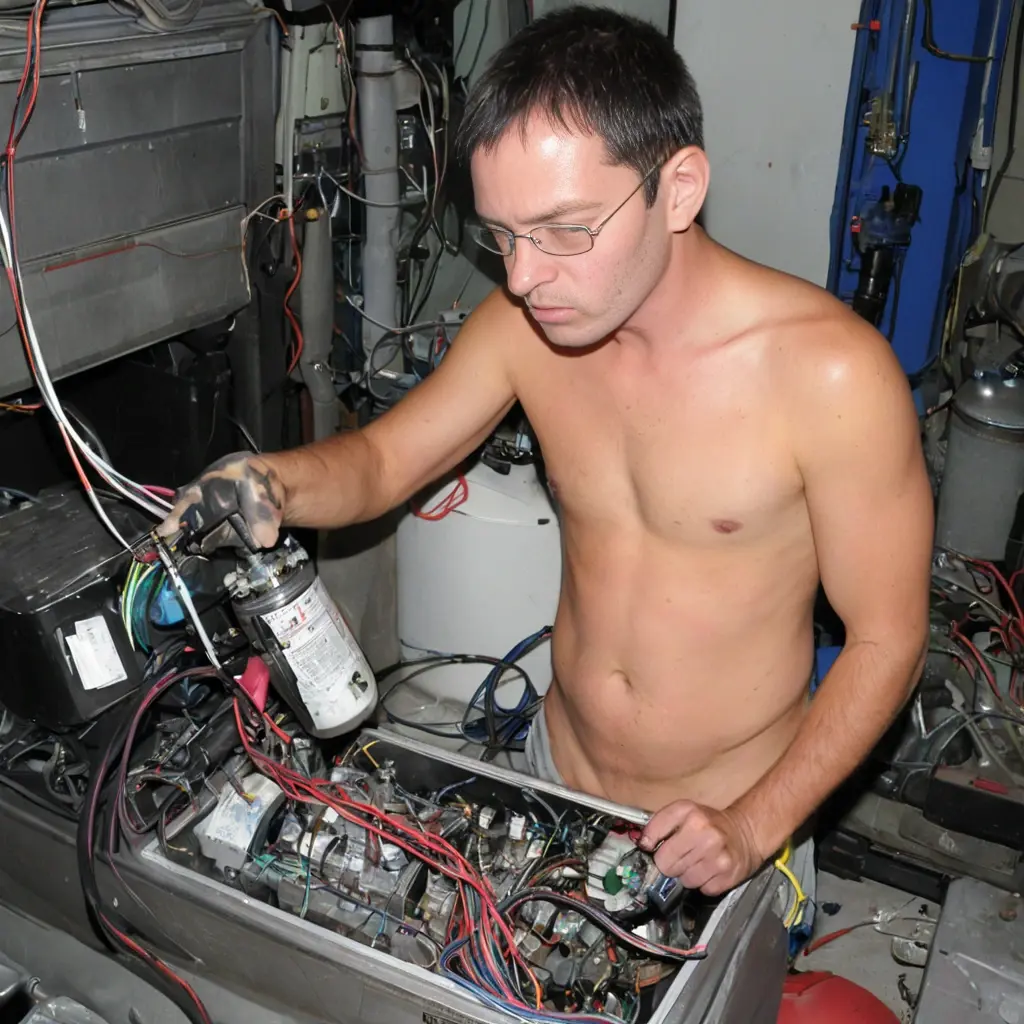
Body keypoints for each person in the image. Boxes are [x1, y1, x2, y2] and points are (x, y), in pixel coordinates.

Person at [159, 7, 933, 913]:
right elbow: (383, 461)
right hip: (553, 773)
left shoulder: (831, 376)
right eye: (503, 234)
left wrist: (754, 827)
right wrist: (271, 481)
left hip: (726, 818)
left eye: (565, 229)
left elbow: (887, 640)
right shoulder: (526, 330)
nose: (523, 278)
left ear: (679, 189)